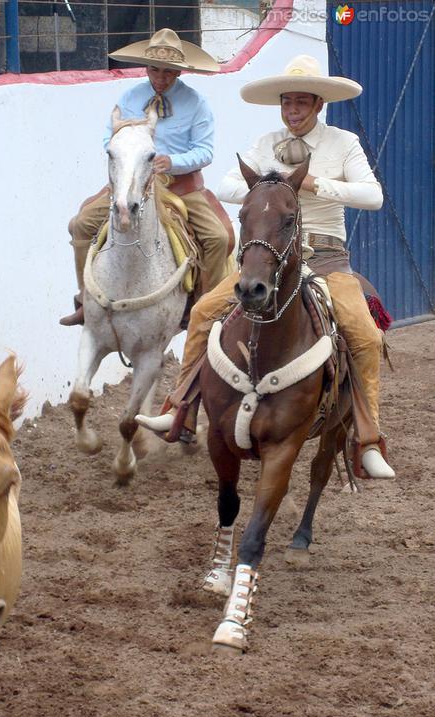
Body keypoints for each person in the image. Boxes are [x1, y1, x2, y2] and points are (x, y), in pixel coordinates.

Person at [137, 54, 395, 480]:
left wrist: (314, 184)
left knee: (364, 333)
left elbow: (373, 196)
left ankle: (367, 437)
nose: (292, 110)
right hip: (269, 258)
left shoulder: (343, 143)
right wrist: (272, 184)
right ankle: (180, 406)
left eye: (301, 103)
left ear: (318, 105)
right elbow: (226, 184)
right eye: (287, 102)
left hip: (327, 257)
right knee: (203, 312)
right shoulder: (265, 142)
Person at [59, 28, 234, 327]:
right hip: (132, 183)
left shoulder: (196, 103)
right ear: (146, 67)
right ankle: (86, 299)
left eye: (168, 71)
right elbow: (109, 139)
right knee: (80, 225)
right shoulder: (129, 97)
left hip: (181, 188)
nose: (160, 77)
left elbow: (205, 151)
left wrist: (173, 161)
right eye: (154, 69)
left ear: (180, 70)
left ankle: (209, 310)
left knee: (218, 238)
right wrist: (130, 155)